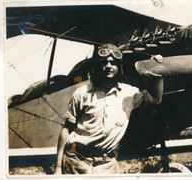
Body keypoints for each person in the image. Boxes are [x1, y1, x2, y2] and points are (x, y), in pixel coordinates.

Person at [53, 43, 163, 174]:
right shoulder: (81, 93)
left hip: (107, 166)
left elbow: (156, 98)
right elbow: (66, 128)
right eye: (104, 62)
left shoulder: (129, 93)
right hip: (76, 163)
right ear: (97, 66)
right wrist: (58, 168)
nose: (108, 66)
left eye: (113, 63)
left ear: (119, 67)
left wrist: (157, 70)